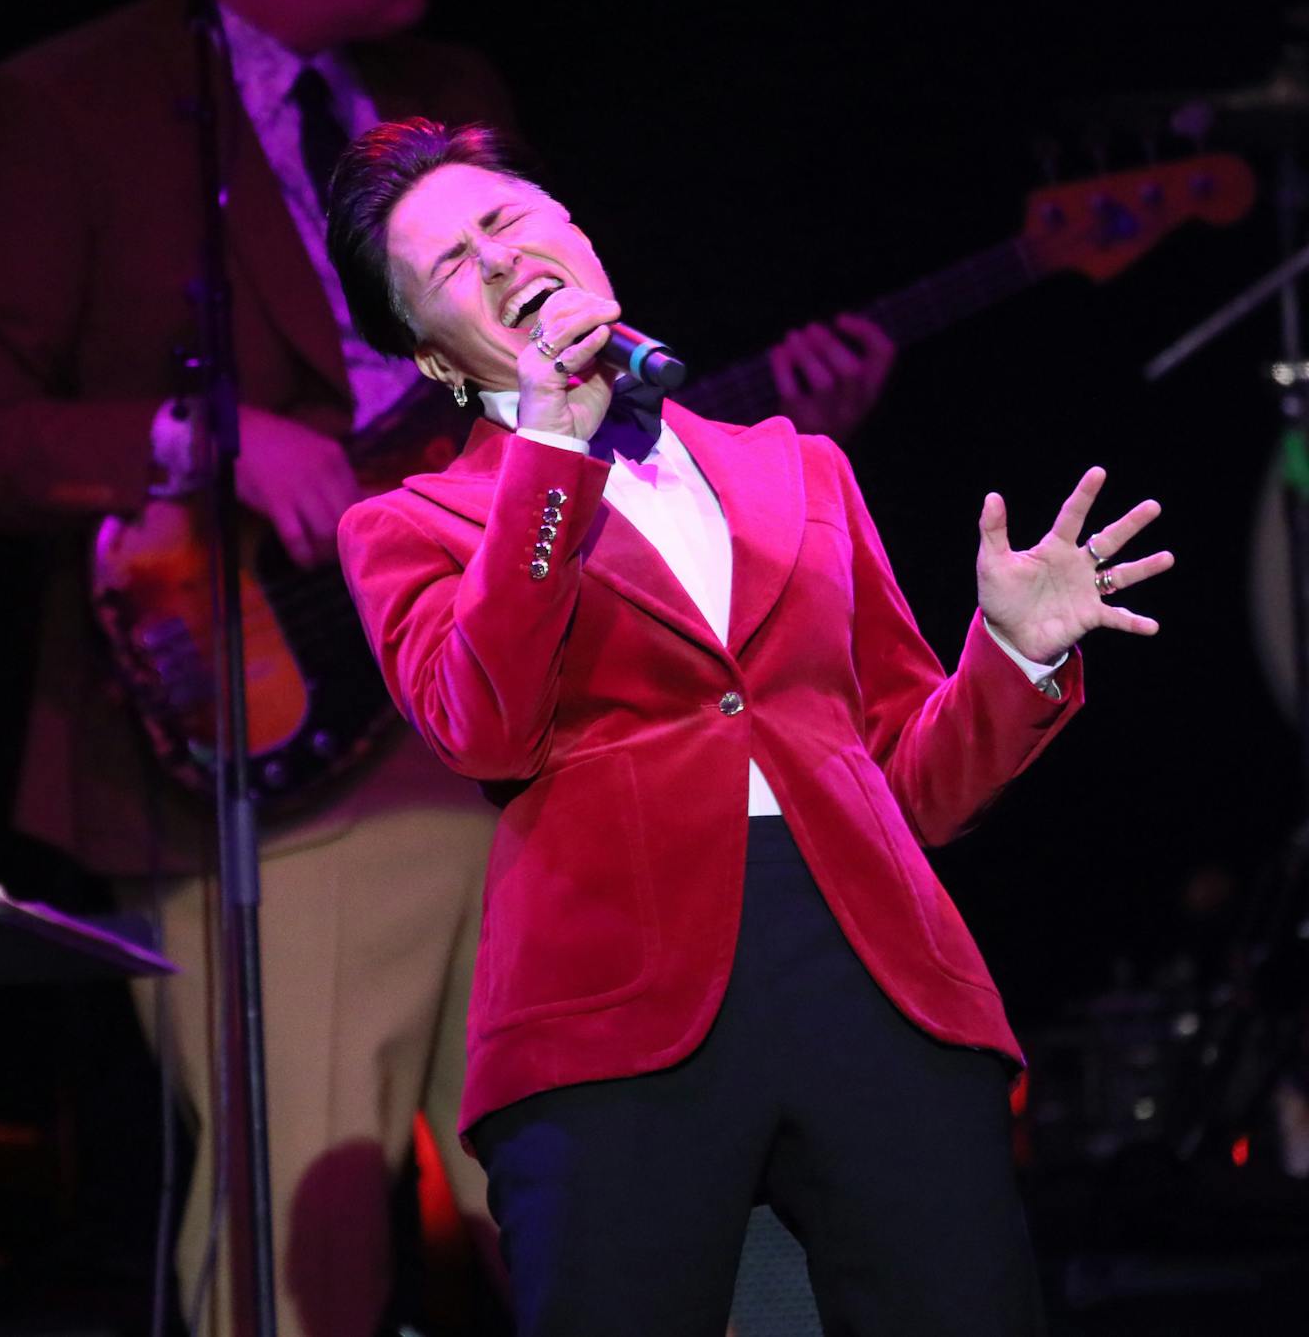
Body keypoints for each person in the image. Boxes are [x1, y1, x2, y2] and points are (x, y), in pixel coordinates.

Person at [324, 117, 1175, 1337]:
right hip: (613, 999)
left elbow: (911, 784)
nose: (501, 260)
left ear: (573, 233)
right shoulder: (409, 524)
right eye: (453, 264)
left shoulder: (800, 468)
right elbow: (486, 725)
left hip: (868, 967)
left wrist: (1013, 653)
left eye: (508, 221)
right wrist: (553, 448)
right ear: (438, 361)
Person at [0, 0, 518, 1333]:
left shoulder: (444, 90)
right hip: (265, 736)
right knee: (302, 1234)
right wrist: (203, 438)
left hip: (497, 705)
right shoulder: (76, 104)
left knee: (613, 1172)